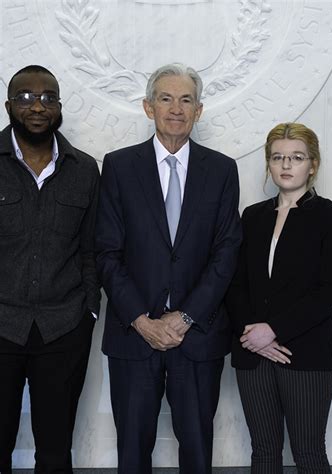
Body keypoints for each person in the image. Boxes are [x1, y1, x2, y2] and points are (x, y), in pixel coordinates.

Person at [95, 63, 241, 474]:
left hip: (197, 340)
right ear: (147, 107)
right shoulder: (119, 166)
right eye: (165, 98)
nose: (176, 108)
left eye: (186, 100)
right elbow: (106, 252)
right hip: (133, 337)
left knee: (197, 452)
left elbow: (226, 253)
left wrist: (186, 316)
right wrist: (142, 320)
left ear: (199, 110)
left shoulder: (221, 169)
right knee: (132, 452)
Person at [226, 122, 332, 473]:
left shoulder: (329, 216)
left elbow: (331, 290)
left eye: (296, 157)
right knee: (263, 453)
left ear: (312, 164)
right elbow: (234, 285)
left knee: (308, 453)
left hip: (305, 354)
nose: (285, 165)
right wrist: (252, 335)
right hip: (252, 352)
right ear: (268, 163)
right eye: (277, 157)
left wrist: (273, 330)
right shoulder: (252, 217)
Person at [0, 65, 100, 474]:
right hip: (1, 326)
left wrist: (88, 314)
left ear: (59, 107)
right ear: (8, 106)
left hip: (63, 329)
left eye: (47, 97)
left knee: (56, 454)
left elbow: (92, 249)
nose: (37, 106)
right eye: (25, 97)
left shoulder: (84, 169)